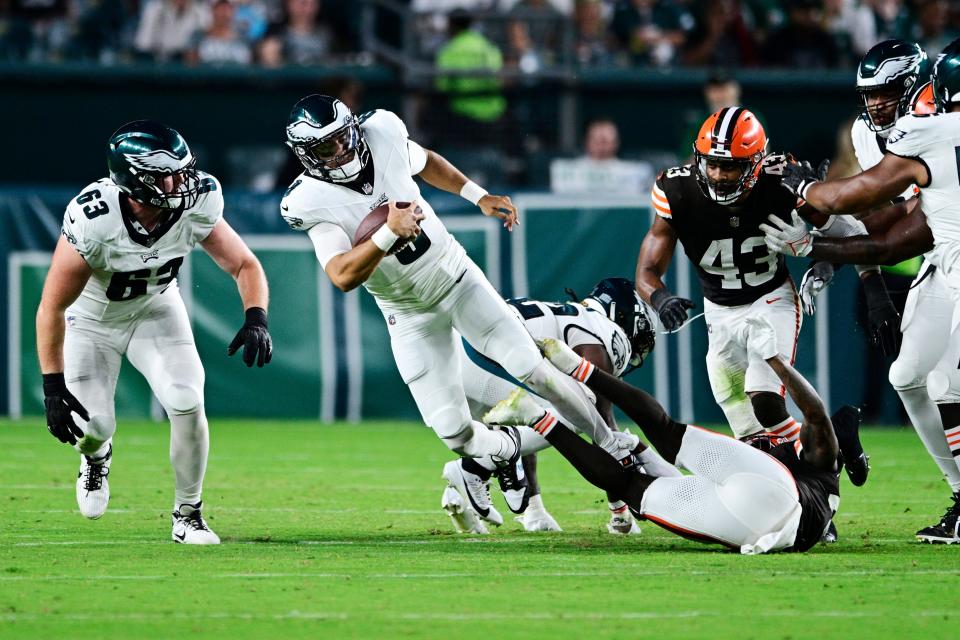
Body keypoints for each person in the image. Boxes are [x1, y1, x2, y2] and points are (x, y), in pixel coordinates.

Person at [279, 95, 637, 495]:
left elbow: (426, 161)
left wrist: (477, 195)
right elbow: (342, 275)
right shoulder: (308, 201)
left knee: (530, 366)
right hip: (408, 312)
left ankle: (611, 443)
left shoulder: (383, 131)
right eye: (328, 146)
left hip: (454, 275)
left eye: (345, 136)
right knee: (454, 432)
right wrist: (387, 233)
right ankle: (507, 450)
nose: (343, 149)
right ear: (307, 154)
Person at [762, 38, 960, 543]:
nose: (875, 103)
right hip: (943, 258)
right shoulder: (907, 132)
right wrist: (836, 244)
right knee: (910, 374)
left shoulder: (930, 128)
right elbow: (893, 217)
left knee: (948, 383)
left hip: (946, 250)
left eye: (887, 91)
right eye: (868, 92)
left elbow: (890, 224)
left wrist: (807, 197)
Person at [37, 120, 273, 544]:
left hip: (156, 310)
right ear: (133, 179)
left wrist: (256, 315)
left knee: (186, 399)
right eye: (166, 174)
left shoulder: (197, 201)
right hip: (91, 322)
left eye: (182, 170)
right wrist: (52, 385)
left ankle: (188, 515)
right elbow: (52, 307)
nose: (179, 181)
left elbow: (244, 264)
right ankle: (96, 457)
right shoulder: (96, 218)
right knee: (94, 427)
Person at [484, 317, 866, 554]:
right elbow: (813, 420)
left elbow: (816, 413)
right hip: (762, 529)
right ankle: (534, 416)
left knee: (666, 432)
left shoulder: (818, 466)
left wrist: (772, 357)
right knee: (632, 485)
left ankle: (576, 367)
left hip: (781, 494)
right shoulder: (820, 476)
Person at [636, 107, 886, 451]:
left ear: (756, 162)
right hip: (719, 311)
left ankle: (818, 467)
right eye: (713, 163)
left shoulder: (781, 181)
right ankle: (834, 445)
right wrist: (660, 299)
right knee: (750, 433)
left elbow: (848, 229)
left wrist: (833, 265)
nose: (720, 175)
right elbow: (647, 271)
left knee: (764, 397)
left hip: (771, 298)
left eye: (731, 165)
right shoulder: (676, 188)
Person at [442, 277, 678, 535]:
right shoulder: (603, 331)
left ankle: (519, 505)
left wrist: (536, 510)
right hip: (481, 360)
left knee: (534, 414)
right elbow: (604, 431)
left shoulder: (569, 317)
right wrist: (619, 511)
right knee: (578, 411)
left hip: (458, 354)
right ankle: (476, 467)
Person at [550, 119, 652, 195]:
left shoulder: (634, 171)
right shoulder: (567, 170)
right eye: (597, 140)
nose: (601, 145)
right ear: (586, 141)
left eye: (606, 141)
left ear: (616, 142)